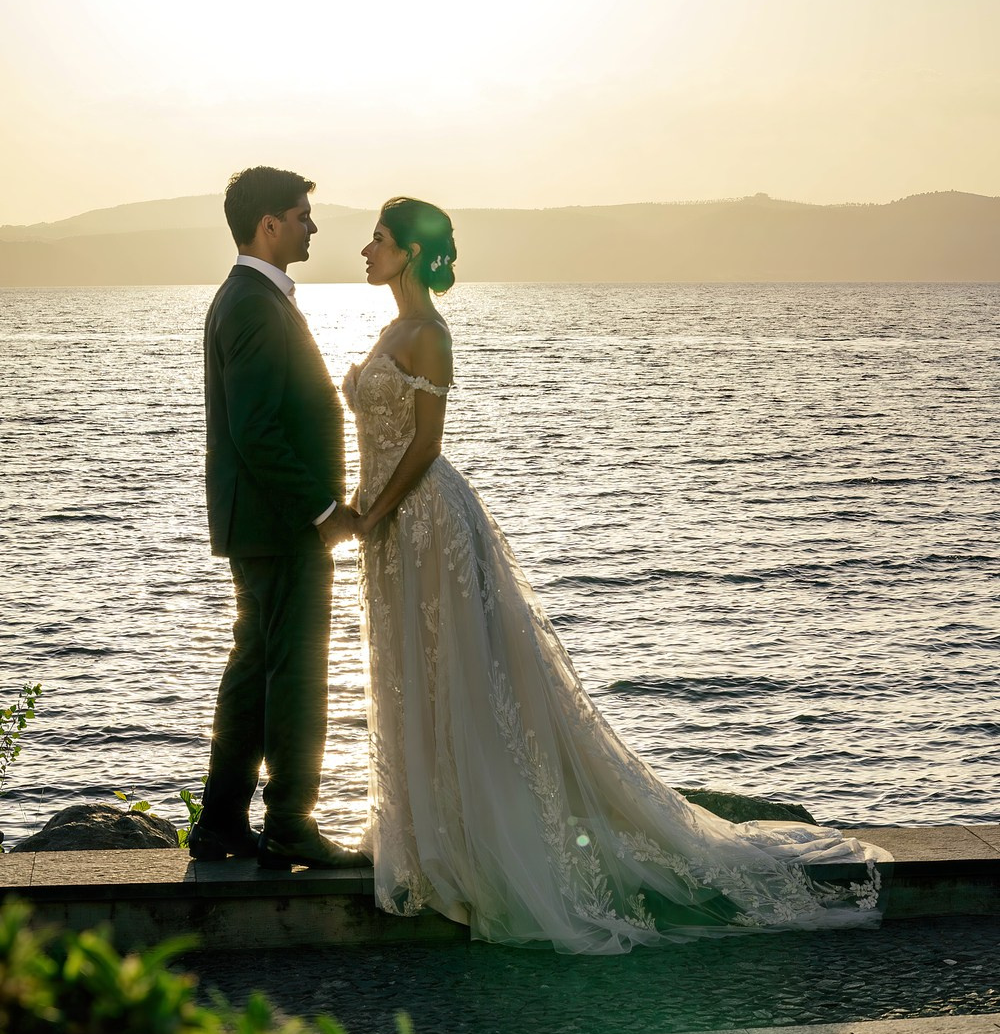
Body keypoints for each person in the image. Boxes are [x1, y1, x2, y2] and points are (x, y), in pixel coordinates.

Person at [344, 196, 892, 952]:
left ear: (407, 250)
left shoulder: (430, 334)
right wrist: (363, 511)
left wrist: (368, 516)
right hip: (390, 524)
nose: (364, 251)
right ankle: (421, 827)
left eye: (376, 240)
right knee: (412, 673)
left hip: (425, 521)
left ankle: (478, 842)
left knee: (453, 675)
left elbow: (427, 446)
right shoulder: (389, 330)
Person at [190, 166, 365, 870]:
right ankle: (291, 821)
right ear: (269, 225)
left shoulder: (248, 299)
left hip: (258, 525)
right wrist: (325, 511)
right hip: (281, 527)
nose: (311, 226)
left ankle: (221, 822)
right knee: (295, 673)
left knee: (253, 669)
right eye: (300, 215)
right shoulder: (255, 306)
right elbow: (257, 430)